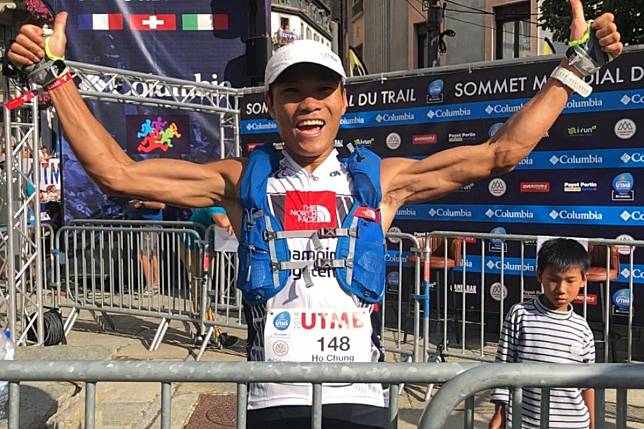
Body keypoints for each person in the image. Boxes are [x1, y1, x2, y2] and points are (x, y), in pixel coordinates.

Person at [7, 2, 622, 427]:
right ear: (271, 103)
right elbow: (118, 172)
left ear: (343, 100)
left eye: (321, 90)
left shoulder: (378, 177)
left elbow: (500, 154)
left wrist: (578, 68)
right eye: (292, 91)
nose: (308, 105)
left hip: (361, 396)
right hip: (274, 399)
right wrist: (51, 76)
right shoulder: (240, 178)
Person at [489, 238, 596, 429]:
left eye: (570, 280)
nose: (561, 289)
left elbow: (587, 383)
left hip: (574, 424)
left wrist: (593, 423)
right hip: (525, 422)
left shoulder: (583, 329)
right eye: (553, 280)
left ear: (583, 280)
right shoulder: (520, 314)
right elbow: (503, 365)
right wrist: (499, 412)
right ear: (540, 275)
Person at [127, 199, 165, 294]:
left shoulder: (151, 191)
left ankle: (150, 286)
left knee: (143, 255)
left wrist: (141, 203)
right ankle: (155, 284)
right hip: (147, 225)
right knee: (152, 255)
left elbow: (161, 204)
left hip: (151, 225)